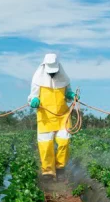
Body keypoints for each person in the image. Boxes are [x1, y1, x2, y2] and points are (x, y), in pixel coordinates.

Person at [28, 53, 79, 181]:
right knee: (46, 145)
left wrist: (71, 95)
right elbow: (32, 96)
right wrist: (34, 101)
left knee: (64, 141)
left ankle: (60, 167)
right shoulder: (37, 80)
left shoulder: (64, 79)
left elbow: (67, 94)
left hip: (63, 116)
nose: (52, 74)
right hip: (45, 116)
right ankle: (48, 172)